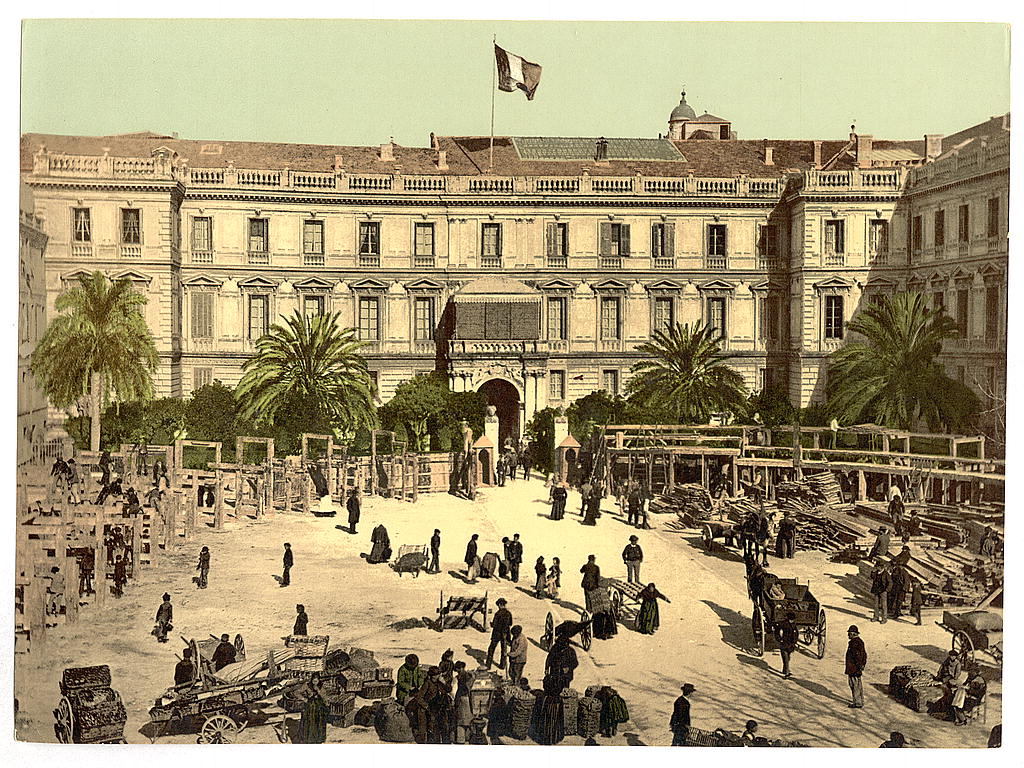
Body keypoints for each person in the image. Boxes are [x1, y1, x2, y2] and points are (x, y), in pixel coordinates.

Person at [298, 674, 329, 744]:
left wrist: (319, 691)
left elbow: (325, 697)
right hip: (310, 707)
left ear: (319, 680)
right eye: (313, 681)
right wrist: (304, 699)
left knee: (319, 723)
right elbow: (296, 692)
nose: (315, 682)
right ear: (311, 680)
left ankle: (318, 740)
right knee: (310, 723)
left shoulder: (321, 686)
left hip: (319, 707)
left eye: (316, 681)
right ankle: (309, 740)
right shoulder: (307, 685)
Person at [486, 597, 513, 670]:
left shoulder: (498, 614)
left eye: (498, 605)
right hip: (505, 634)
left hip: (497, 634)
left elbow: (494, 625)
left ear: (500, 605)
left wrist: (491, 624)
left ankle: (488, 665)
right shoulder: (509, 613)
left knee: (491, 649)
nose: (498, 606)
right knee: (503, 650)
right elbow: (510, 623)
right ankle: (502, 665)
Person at [845, 625, 867, 708]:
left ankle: (857, 703)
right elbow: (864, 655)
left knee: (854, 685)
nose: (848, 635)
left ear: (853, 634)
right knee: (857, 685)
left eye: (849, 634)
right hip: (856, 668)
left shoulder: (854, 643)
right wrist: (862, 665)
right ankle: (859, 701)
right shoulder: (860, 642)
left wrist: (858, 666)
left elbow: (857, 656)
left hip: (854, 668)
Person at [453, 661, 474, 744]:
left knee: (461, 721)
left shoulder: (459, 677)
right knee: (467, 720)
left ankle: (461, 739)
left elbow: (458, 690)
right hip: (467, 699)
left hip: (462, 699)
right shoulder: (469, 676)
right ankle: (467, 737)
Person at [775, 611, 799, 678]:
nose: (792, 621)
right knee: (785, 658)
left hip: (791, 644)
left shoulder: (794, 624)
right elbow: (777, 631)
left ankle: (784, 670)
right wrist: (779, 639)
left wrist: (795, 641)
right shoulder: (783, 623)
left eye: (793, 620)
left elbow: (796, 633)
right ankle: (787, 673)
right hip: (784, 643)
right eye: (791, 619)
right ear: (788, 619)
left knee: (788, 658)